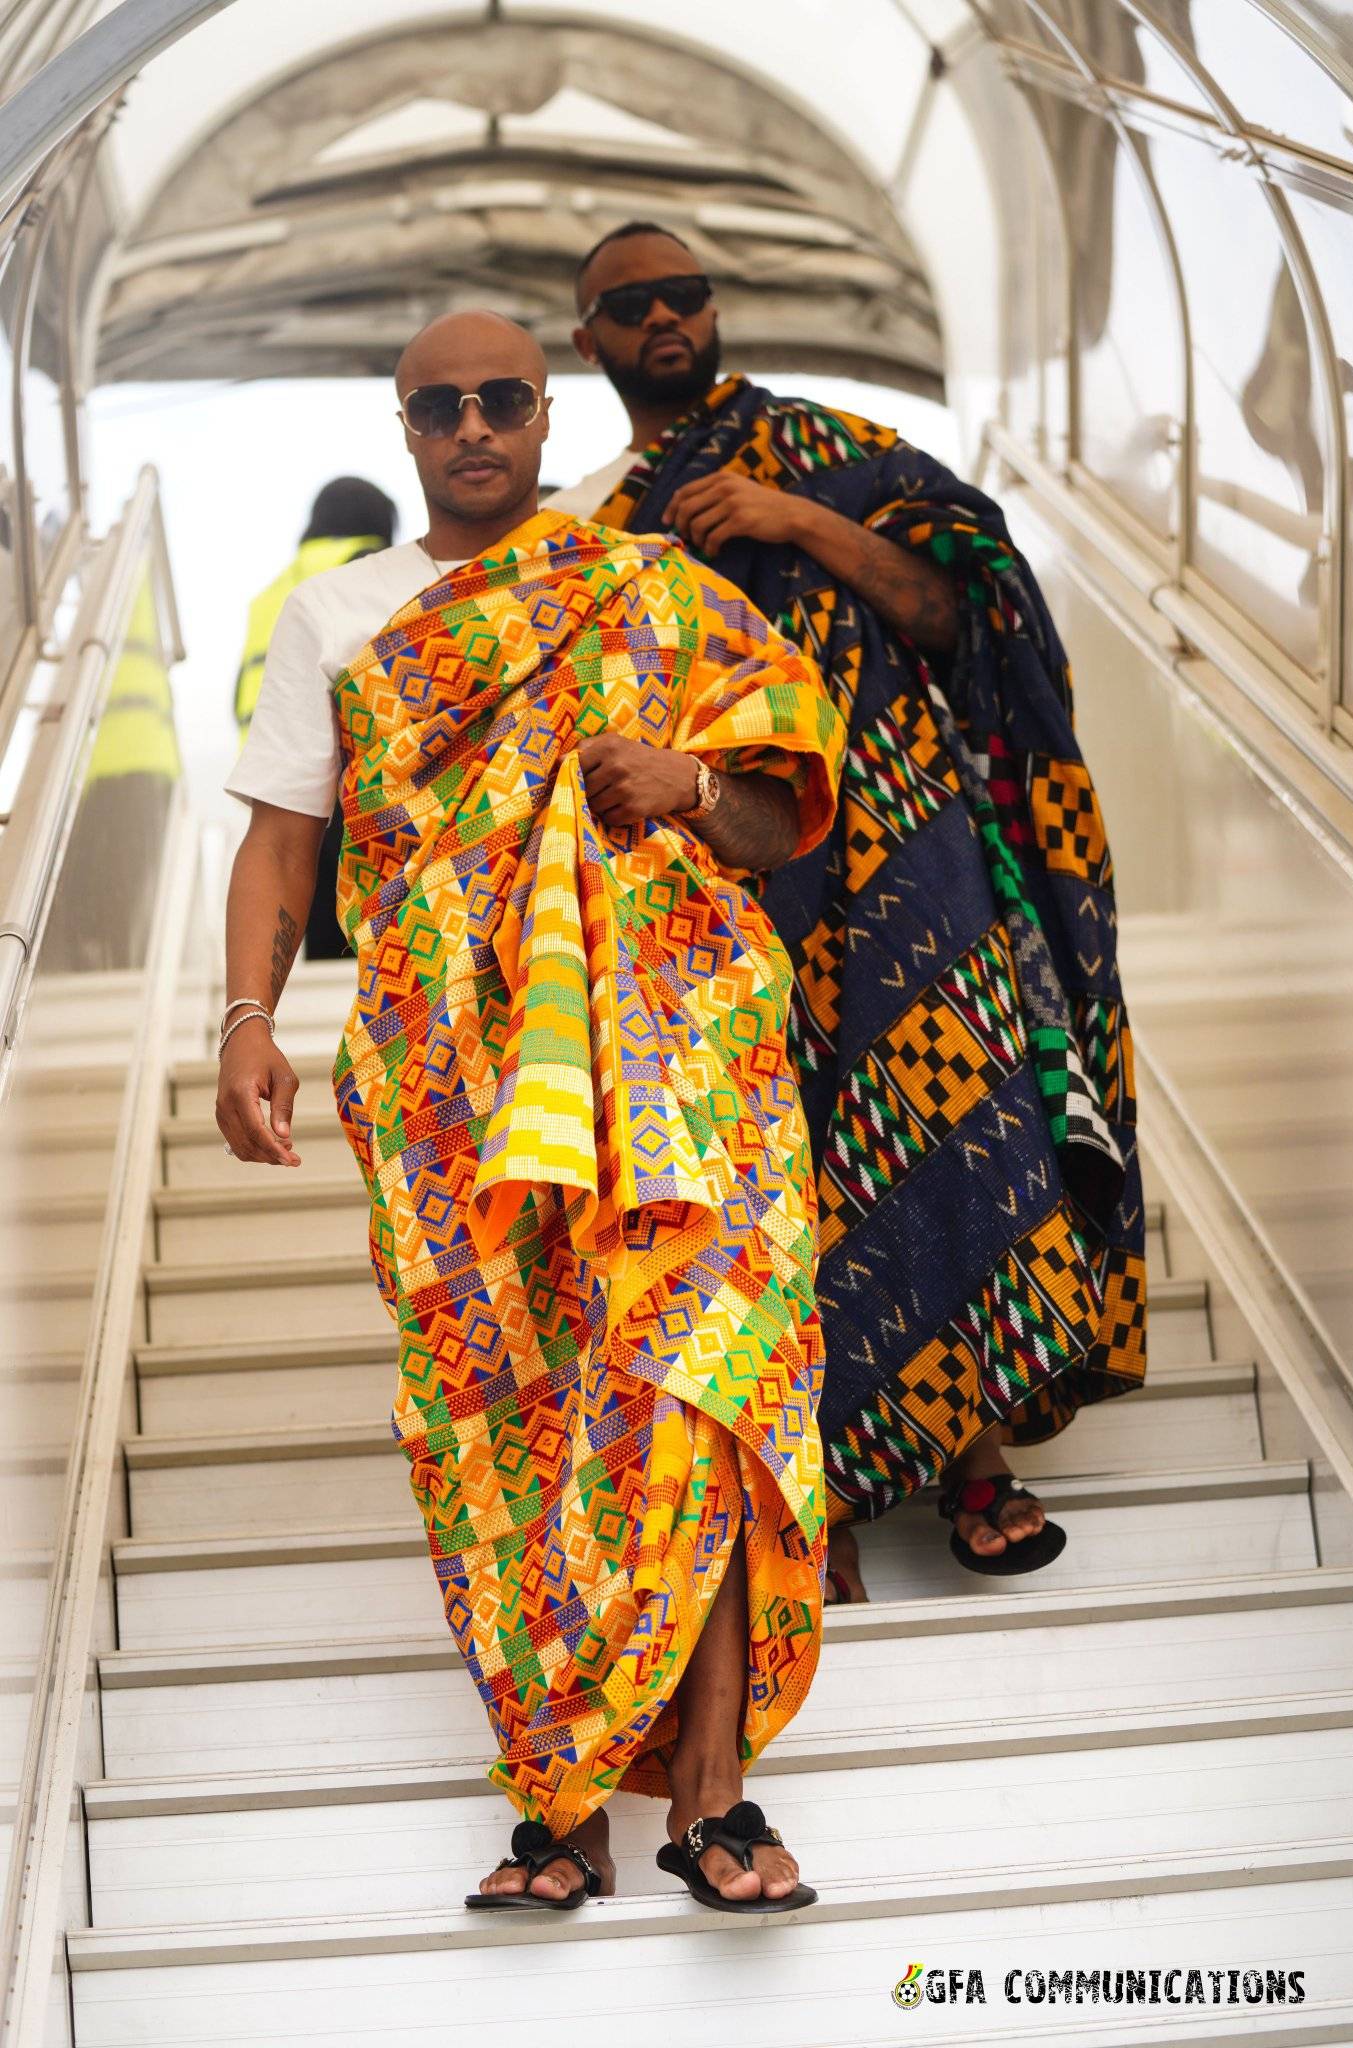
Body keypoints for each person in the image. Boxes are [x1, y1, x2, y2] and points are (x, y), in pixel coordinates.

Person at [218, 311, 845, 1913]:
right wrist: (245, 1019)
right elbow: (284, 838)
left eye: (502, 397)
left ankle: (713, 1796)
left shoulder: (649, 586)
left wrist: (688, 784)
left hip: (677, 1052)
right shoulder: (338, 616)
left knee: (696, 1377)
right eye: (440, 405)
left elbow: (777, 820)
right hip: (450, 1078)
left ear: (547, 412)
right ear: (407, 427)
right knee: (506, 1424)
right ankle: (559, 1803)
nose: (473, 425)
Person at [556, 222, 1147, 1602]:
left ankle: (975, 1456)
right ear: (588, 341)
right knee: (767, 1163)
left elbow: (970, 618)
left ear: (715, 309)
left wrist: (797, 522)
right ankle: (806, 1491)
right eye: (632, 305)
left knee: (957, 1116)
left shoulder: (833, 452)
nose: (664, 318)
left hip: (904, 843)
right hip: (716, 868)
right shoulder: (597, 523)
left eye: (685, 293)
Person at [233, 476, 397, 960]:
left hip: (280, 776)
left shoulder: (274, 592)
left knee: (309, 896)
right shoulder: (368, 569)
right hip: (352, 774)